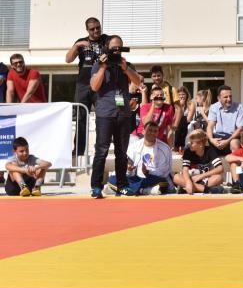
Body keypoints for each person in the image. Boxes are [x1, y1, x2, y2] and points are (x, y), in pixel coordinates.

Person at [89, 35, 142, 199]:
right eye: (114, 48)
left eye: (120, 48)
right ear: (107, 48)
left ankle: (122, 185)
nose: (117, 51)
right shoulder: (98, 64)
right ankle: (96, 186)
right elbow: (94, 86)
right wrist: (103, 67)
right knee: (101, 151)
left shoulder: (127, 64)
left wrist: (126, 69)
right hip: (105, 113)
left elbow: (138, 81)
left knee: (121, 152)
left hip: (123, 113)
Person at [65, 17, 109, 157]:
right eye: (92, 29)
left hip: (101, 83)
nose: (96, 31)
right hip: (83, 84)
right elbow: (68, 59)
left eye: (98, 27)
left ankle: (100, 149)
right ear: (87, 30)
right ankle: (78, 151)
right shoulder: (81, 41)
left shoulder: (107, 40)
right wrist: (77, 46)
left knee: (102, 117)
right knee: (81, 117)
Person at [111, 121, 173, 195]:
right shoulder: (133, 147)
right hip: (136, 178)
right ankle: (143, 191)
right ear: (143, 131)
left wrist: (148, 172)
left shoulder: (165, 148)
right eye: (150, 130)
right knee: (112, 179)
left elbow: (165, 172)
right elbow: (127, 170)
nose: (152, 133)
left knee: (163, 183)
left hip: (153, 179)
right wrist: (129, 169)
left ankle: (129, 190)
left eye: (155, 131)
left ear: (158, 133)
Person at [173, 129, 224, 195]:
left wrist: (201, 176)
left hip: (205, 179)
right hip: (191, 179)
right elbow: (185, 170)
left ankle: (188, 188)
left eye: (192, 143)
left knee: (219, 178)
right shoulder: (188, 152)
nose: (189, 144)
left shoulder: (210, 151)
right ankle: (205, 190)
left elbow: (220, 168)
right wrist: (188, 182)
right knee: (176, 177)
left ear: (200, 144)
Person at [206, 85, 243, 156]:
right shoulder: (214, 107)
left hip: (233, 137)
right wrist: (211, 139)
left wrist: (227, 141)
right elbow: (210, 126)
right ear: (219, 98)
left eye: (230, 96)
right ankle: (203, 165)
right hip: (218, 137)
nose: (229, 99)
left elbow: (240, 129)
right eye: (226, 97)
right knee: (202, 140)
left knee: (234, 143)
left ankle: (235, 165)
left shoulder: (239, 107)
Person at [172, 86, 194, 153]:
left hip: (187, 124)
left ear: (187, 95)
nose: (181, 96)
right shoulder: (175, 105)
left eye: (183, 94)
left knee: (183, 119)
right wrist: (179, 107)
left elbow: (189, 118)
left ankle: (177, 146)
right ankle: (180, 146)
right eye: (179, 95)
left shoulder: (191, 103)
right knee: (180, 121)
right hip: (178, 125)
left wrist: (181, 108)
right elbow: (174, 118)